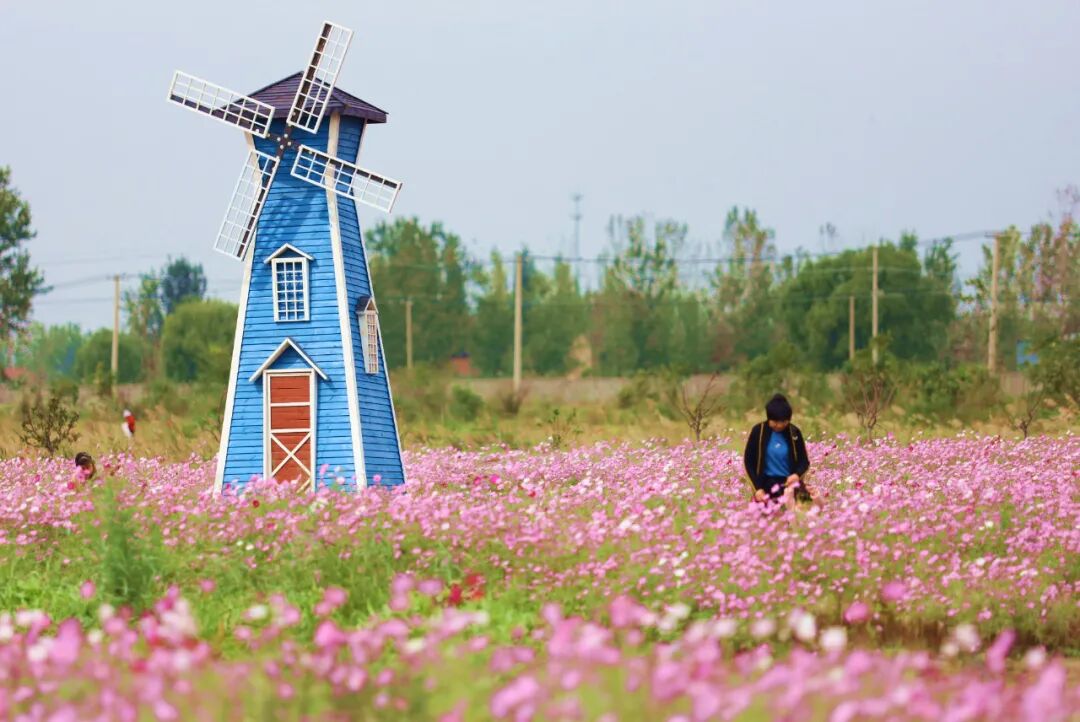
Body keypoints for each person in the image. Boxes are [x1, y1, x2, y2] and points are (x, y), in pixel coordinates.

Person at [743, 394, 811, 505]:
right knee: (768, 520)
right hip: (766, 486)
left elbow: (804, 461)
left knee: (804, 516)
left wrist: (797, 475)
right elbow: (748, 462)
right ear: (768, 418)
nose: (779, 425)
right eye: (775, 421)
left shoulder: (794, 432)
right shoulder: (758, 431)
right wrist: (758, 488)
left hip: (791, 486)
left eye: (783, 422)